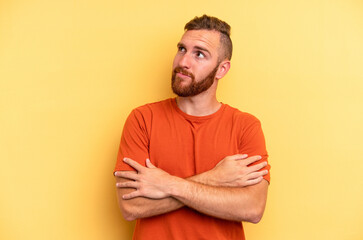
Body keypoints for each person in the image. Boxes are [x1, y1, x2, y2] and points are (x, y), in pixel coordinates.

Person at [114, 15, 271, 240]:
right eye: (181, 49)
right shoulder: (142, 119)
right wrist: (214, 178)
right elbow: (131, 206)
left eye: (199, 54)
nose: (183, 62)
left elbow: (253, 208)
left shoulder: (246, 126)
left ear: (221, 69)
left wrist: (166, 183)